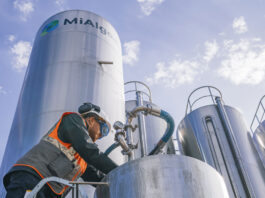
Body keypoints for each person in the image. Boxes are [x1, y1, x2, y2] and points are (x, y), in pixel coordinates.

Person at [3, 102, 118, 198]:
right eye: (104, 130)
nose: (101, 136)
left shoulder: (82, 157)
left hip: (47, 189)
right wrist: (119, 170)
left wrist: (121, 177)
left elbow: (97, 177)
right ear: (92, 120)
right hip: (32, 177)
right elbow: (89, 150)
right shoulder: (73, 120)